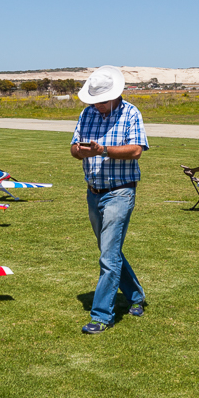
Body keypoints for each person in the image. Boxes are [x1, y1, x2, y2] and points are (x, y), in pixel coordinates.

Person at [70, 66, 148, 334]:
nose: (97, 106)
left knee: (108, 255)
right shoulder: (86, 114)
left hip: (120, 192)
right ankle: (136, 295)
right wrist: (80, 151)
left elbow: (136, 150)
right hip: (94, 192)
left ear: (115, 96)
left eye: (101, 101)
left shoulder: (130, 113)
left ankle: (102, 315)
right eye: (93, 101)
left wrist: (103, 150)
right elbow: (72, 148)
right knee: (109, 251)